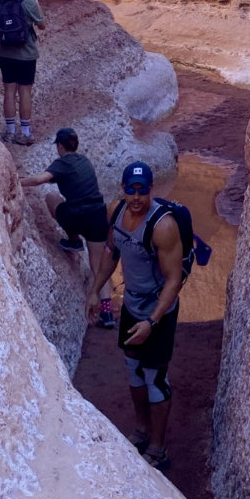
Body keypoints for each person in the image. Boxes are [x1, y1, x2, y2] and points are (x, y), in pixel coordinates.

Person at [87, 161, 184, 471]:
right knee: (133, 370)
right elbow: (110, 253)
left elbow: (174, 280)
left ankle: (159, 449)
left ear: (151, 190)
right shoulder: (116, 211)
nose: (137, 197)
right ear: (123, 189)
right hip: (131, 306)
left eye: (143, 191)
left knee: (155, 378)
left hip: (159, 312)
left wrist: (152, 322)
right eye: (132, 190)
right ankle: (141, 431)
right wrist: (95, 290)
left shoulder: (163, 226)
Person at [21, 128, 115, 328]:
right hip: (98, 214)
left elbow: (39, 180)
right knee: (99, 265)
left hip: (77, 217)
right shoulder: (85, 161)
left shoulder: (61, 163)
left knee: (52, 199)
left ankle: (73, 240)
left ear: (60, 146)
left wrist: (18, 181)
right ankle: (107, 313)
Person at [0, 0, 44, 145]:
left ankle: (10, 132)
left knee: (9, 91)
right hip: (26, 55)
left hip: (5, 54)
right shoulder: (28, 3)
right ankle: (25, 133)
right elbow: (42, 25)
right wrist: (36, 5)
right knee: (25, 92)